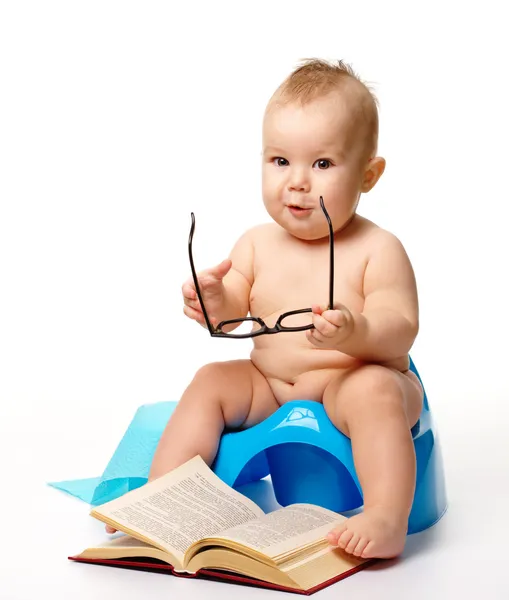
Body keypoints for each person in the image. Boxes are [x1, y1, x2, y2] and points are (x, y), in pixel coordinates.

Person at [107, 58, 423, 560]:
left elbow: (399, 327)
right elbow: (234, 305)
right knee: (212, 378)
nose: (297, 182)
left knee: (375, 391)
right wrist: (211, 301)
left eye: (322, 164)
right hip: (272, 384)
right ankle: (162, 495)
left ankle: (386, 515)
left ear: (369, 174)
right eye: (280, 161)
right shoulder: (256, 243)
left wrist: (354, 332)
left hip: (349, 382)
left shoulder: (378, 249)